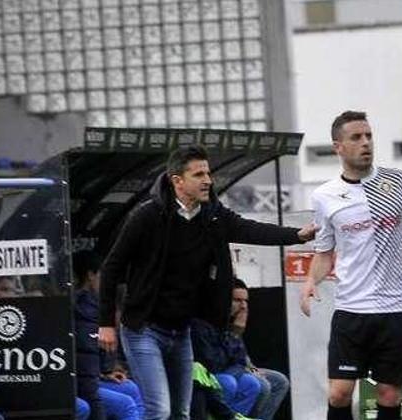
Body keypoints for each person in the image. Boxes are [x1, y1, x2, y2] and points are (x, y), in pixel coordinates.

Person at [99, 145, 317, 420]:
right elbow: (111, 267)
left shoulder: (212, 215)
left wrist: (297, 235)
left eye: (208, 173)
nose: (207, 180)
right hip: (144, 329)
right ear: (177, 180)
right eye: (198, 174)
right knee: (160, 410)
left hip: (180, 331)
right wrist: (106, 322)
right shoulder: (147, 216)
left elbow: (250, 229)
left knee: (181, 412)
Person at [301, 111, 402, 420]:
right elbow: (325, 252)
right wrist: (311, 281)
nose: (366, 143)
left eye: (369, 136)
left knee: (390, 395)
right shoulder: (324, 196)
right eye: (356, 137)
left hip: (395, 307)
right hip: (351, 308)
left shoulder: (399, 181)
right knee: (339, 393)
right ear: (338, 146)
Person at [191, 279, 290, 419]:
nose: (243, 306)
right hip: (215, 372)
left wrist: (237, 335)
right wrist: (234, 334)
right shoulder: (207, 324)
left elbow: (243, 359)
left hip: (235, 368)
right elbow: (213, 363)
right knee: (257, 384)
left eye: (246, 301)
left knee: (279, 381)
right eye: (237, 300)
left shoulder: (232, 322)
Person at [74, 252, 145, 419]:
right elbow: (82, 356)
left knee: (132, 388)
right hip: (82, 385)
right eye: (103, 275)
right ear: (91, 275)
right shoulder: (80, 308)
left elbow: (90, 354)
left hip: (94, 377)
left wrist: (105, 372)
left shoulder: (94, 305)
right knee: (126, 404)